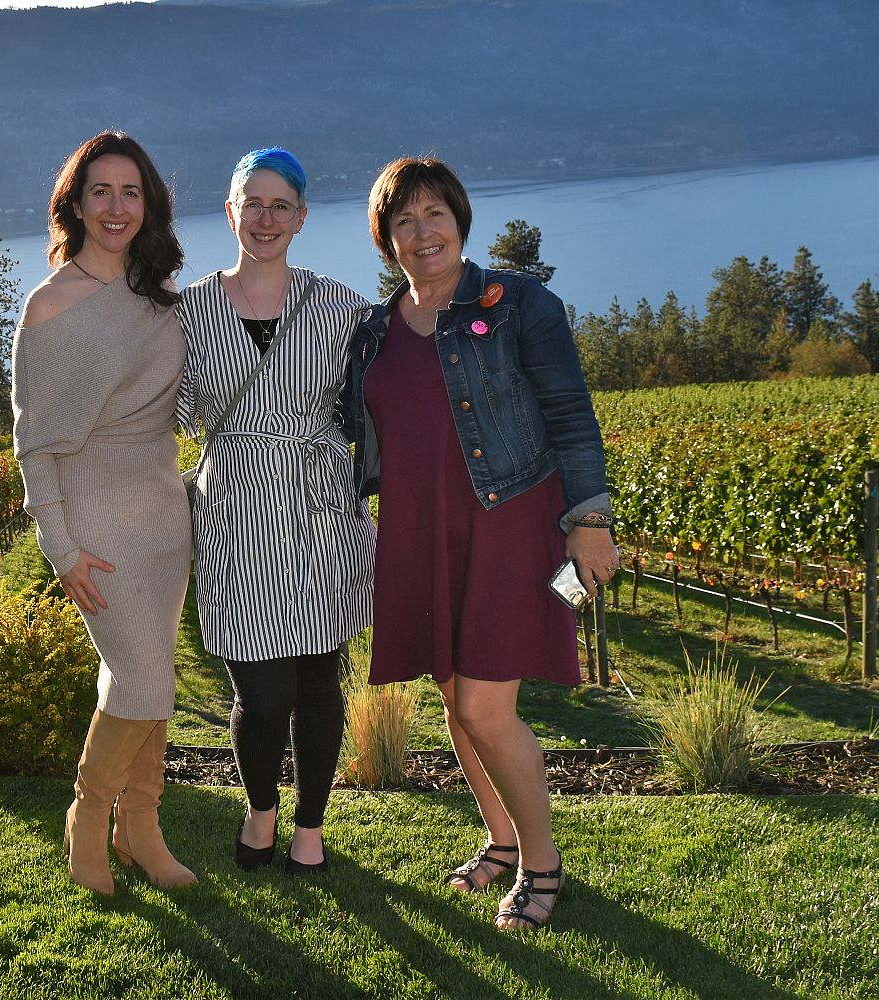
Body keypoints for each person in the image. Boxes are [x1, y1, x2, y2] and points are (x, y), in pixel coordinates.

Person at [342, 157, 617, 931]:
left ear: (460, 221)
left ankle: (542, 866)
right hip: (419, 528)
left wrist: (589, 520)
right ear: (385, 237)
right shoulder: (375, 329)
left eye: (435, 214)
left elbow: (570, 412)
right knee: (454, 699)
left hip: (509, 520)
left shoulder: (520, 302)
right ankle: (499, 840)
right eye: (403, 220)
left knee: (487, 708)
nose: (421, 231)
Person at [176, 148, 373, 875]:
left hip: (320, 506)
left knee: (320, 678)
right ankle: (262, 808)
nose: (265, 218)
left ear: (301, 218)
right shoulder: (188, 311)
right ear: (229, 212)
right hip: (233, 510)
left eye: (279, 205)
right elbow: (156, 405)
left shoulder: (342, 307)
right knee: (259, 693)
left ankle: (310, 827)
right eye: (251, 204)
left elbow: (384, 402)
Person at [11, 130, 195, 896]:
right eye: (100, 192)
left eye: (130, 192)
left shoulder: (160, 301)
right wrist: (61, 547)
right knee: (141, 676)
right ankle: (89, 823)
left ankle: (142, 829)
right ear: (76, 205)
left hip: (163, 516)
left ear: (146, 204)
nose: (116, 207)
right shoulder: (49, 306)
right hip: (97, 522)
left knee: (146, 681)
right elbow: (34, 444)